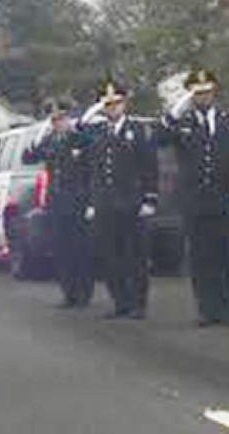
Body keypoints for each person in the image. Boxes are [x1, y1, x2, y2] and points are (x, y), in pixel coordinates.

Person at [161, 70, 229, 327]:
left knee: (228, 255)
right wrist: (174, 112)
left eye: (206, 92)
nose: (203, 97)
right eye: (197, 93)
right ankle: (206, 308)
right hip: (196, 200)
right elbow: (160, 138)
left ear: (214, 92)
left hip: (226, 198)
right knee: (201, 257)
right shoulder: (183, 122)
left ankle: (227, 309)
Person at [79, 81, 158, 320]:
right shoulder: (97, 132)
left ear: (125, 104)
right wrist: (93, 202)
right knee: (110, 256)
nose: (113, 108)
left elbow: (149, 166)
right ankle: (120, 301)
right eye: (108, 105)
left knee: (135, 256)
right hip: (105, 204)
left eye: (116, 103)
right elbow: (88, 156)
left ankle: (138, 303)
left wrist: (149, 199)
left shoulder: (137, 129)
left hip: (132, 202)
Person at [24, 110, 94, 309]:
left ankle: (83, 294)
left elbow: (90, 169)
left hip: (77, 201)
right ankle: (68, 293)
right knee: (62, 250)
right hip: (56, 202)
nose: (58, 123)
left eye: (61, 119)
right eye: (54, 120)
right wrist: (37, 139)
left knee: (80, 249)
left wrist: (90, 202)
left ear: (68, 120)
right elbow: (29, 158)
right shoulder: (49, 141)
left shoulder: (79, 139)